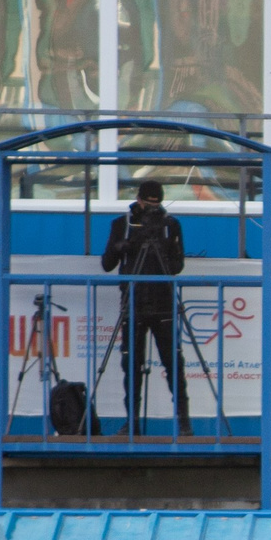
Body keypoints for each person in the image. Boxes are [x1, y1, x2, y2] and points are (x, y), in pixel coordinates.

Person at [99, 179, 190, 433]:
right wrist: (123, 246)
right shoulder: (123, 225)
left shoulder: (170, 226)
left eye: (156, 204)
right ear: (138, 200)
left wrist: (160, 253)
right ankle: (133, 423)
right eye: (148, 204)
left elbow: (178, 265)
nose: (152, 209)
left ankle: (183, 422)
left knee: (173, 363)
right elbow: (106, 264)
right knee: (132, 365)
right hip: (134, 303)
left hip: (163, 303)